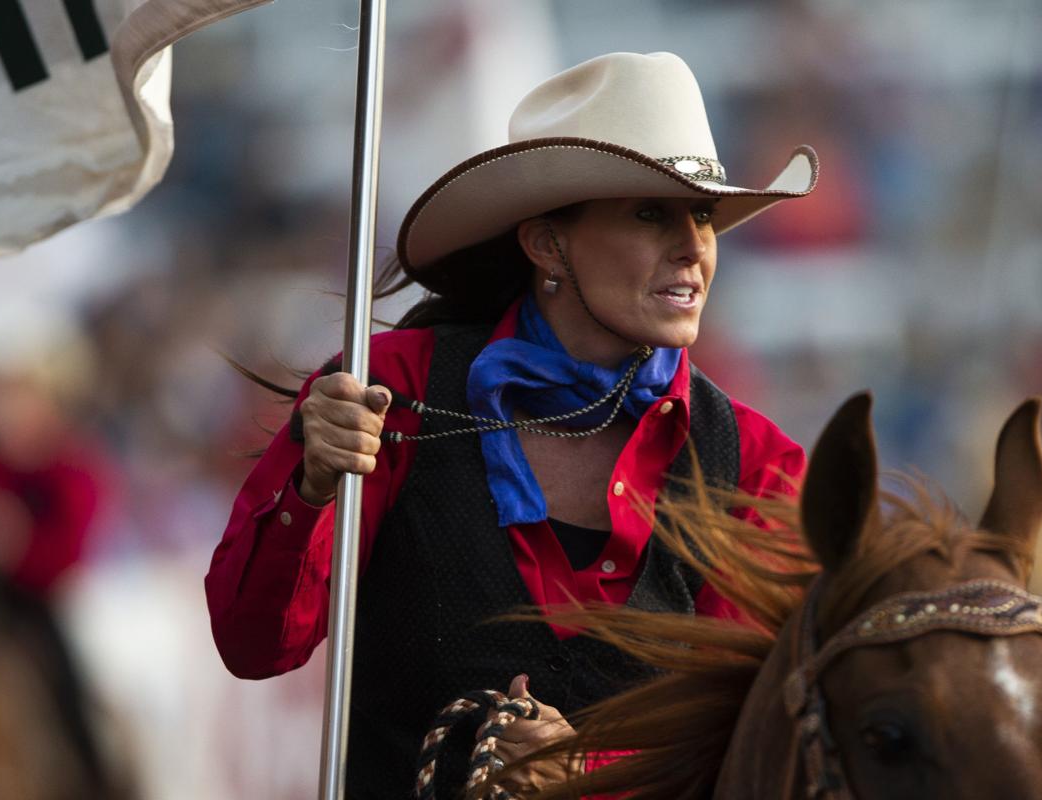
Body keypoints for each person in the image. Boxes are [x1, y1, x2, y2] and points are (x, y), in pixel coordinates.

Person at [205, 51, 818, 798]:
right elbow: (255, 644)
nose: (694, 246)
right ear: (546, 243)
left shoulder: (758, 463)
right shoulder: (385, 388)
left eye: (702, 215)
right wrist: (309, 485)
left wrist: (588, 775)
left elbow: (761, 746)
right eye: (650, 212)